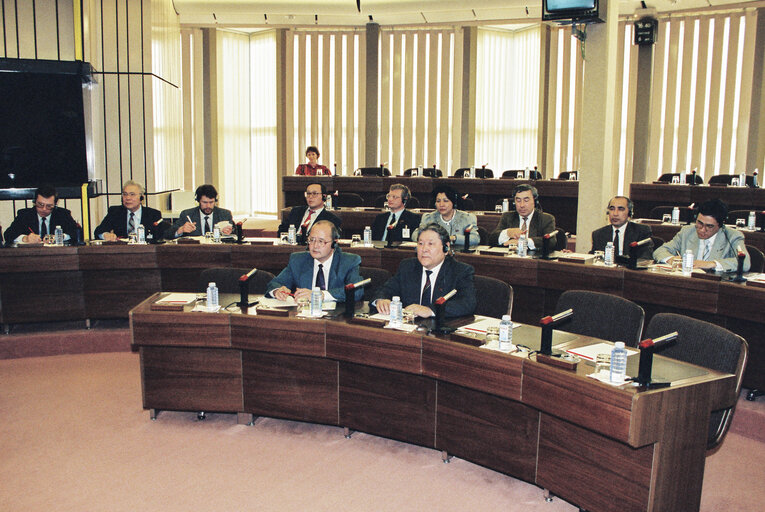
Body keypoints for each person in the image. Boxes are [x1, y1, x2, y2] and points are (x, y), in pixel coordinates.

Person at [373, 223, 476, 318]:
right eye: (421, 243)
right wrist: (381, 300)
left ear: (446, 247)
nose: (424, 249)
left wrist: (430, 310)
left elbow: (467, 303)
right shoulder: (408, 266)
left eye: (431, 244)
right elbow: (386, 289)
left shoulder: (460, 271)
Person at [266, 220, 362, 302]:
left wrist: (320, 295)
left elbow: (356, 291)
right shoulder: (298, 260)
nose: (315, 246)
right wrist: (277, 291)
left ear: (334, 243)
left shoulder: (349, 261)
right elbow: (274, 283)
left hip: (336, 319)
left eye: (321, 241)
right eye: (311, 240)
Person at [653, 199, 751, 272]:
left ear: (720, 225)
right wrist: (671, 259)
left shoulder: (733, 236)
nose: (702, 230)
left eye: (709, 226)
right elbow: (660, 251)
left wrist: (711, 264)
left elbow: (745, 263)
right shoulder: (687, 232)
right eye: (699, 223)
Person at [488, 184, 557, 249]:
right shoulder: (507, 216)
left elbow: (550, 242)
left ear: (535, 201)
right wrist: (507, 233)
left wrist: (524, 242)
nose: (522, 205)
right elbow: (492, 239)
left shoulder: (546, 219)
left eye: (526, 200)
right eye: (518, 200)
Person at [4, 185, 79, 245]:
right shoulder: (24, 215)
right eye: (40, 204)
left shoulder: (63, 214)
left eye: (49, 206)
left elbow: (77, 233)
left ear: (55, 204)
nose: (44, 209)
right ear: (34, 201)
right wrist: (25, 238)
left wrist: (61, 237)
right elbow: (8, 234)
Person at [94, 180, 166, 241]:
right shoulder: (115, 212)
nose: (128, 198)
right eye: (125, 194)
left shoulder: (153, 214)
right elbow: (98, 231)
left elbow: (159, 238)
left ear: (141, 198)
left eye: (132, 194)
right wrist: (105, 235)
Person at [412, 185, 478, 249]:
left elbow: (475, 239)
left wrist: (454, 238)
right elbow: (415, 235)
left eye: (446, 201)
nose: (441, 204)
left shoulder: (466, 218)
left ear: (453, 202)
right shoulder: (429, 218)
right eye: (438, 201)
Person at [278, 182, 342, 243]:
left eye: (314, 194)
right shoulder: (296, 211)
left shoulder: (331, 219)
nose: (310, 197)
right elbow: (282, 230)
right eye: (308, 194)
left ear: (324, 196)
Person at [169, 184, 233, 238]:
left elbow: (236, 232)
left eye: (211, 202)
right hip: (195, 251)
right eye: (204, 202)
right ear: (198, 201)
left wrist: (229, 231)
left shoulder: (224, 214)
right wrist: (180, 230)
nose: (208, 206)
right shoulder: (187, 215)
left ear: (215, 201)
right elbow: (168, 233)